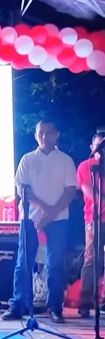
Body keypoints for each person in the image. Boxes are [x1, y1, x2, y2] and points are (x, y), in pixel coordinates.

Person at [2, 120, 77, 324]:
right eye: (40, 133)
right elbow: (23, 189)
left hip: (59, 219)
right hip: (30, 217)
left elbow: (71, 191)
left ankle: (55, 308)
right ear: (36, 135)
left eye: (49, 133)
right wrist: (46, 209)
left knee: (55, 264)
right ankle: (18, 305)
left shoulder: (66, 160)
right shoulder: (27, 159)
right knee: (23, 262)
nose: (44, 137)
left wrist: (51, 214)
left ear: (57, 135)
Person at [77, 132, 105, 318]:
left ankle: (103, 301)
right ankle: (85, 302)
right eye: (98, 146)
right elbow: (89, 193)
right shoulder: (86, 166)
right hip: (94, 219)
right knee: (91, 259)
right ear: (92, 147)